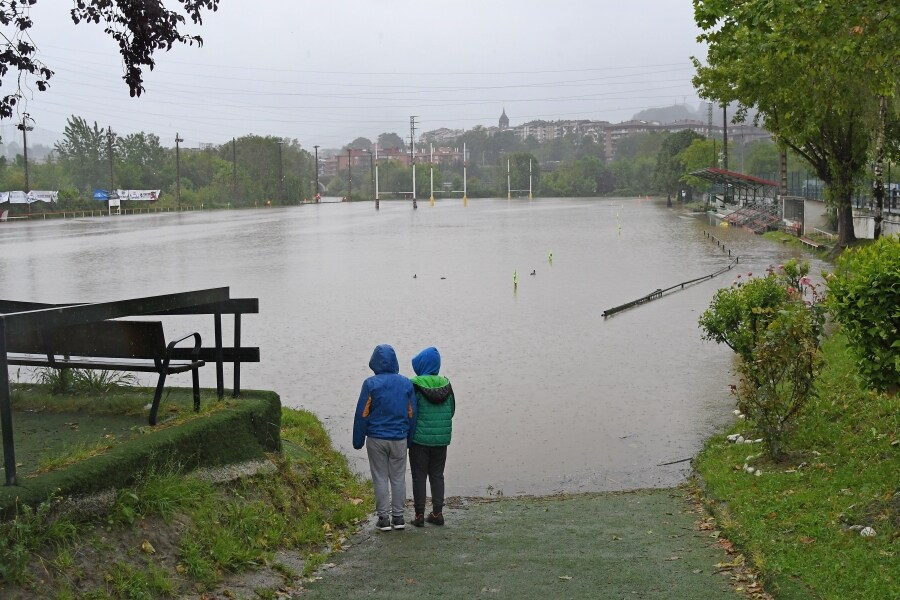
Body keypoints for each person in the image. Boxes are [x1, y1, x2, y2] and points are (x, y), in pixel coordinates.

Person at [353, 344, 416, 532]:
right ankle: (399, 518)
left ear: (374, 362)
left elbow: (362, 414)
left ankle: (383, 518)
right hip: (399, 438)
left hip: (376, 439)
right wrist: (409, 440)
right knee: (398, 477)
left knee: (380, 477)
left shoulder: (370, 384)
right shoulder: (406, 383)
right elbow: (412, 414)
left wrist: (358, 440)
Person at [408, 346, 456, 527]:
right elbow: (451, 410)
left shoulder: (414, 385)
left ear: (422, 365)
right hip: (441, 440)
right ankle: (437, 513)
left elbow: (410, 412)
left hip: (419, 440)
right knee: (437, 475)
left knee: (419, 476)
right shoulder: (446, 384)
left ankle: (419, 516)